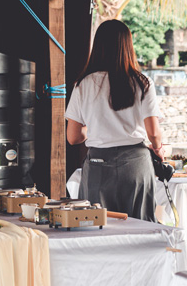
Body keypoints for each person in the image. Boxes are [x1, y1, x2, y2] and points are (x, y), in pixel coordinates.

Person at [65, 20, 168, 222]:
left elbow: (73, 137)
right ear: (128, 46)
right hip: (136, 165)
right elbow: (153, 132)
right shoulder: (142, 82)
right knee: (140, 227)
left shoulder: (83, 84)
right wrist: (158, 149)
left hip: (98, 166)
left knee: (96, 226)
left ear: (98, 46)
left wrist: (95, 128)